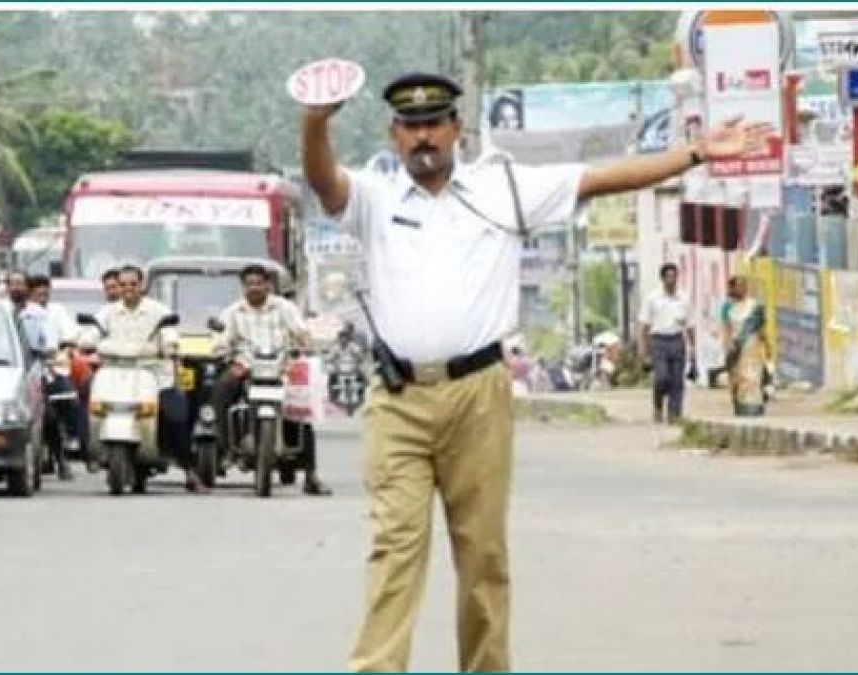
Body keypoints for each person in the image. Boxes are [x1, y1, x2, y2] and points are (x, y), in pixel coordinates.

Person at [300, 71, 771, 671]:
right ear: (394, 135)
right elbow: (323, 181)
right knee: (394, 549)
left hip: (479, 395)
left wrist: (698, 152)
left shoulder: (504, 190)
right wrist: (316, 121)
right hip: (399, 400)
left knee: (482, 556)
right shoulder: (374, 198)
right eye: (410, 126)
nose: (423, 137)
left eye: (433, 124)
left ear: (456, 130)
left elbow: (602, 178)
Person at [210, 264, 330, 495]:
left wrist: (305, 345)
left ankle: (311, 475)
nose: (254, 287)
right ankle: (223, 449)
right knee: (221, 390)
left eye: (259, 283)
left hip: (282, 366)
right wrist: (224, 352)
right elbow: (221, 339)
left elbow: (301, 332)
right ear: (243, 287)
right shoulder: (234, 312)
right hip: (246, 366)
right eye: (249, 284)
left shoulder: (284, 308)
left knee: (302, 411)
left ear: (268, 285)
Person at [94, 265, 199, 490]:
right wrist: (84, 340)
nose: (128, 289)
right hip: (116, 375)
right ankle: (92, 451)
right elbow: (91, 333)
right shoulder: (108, 313)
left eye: (133, 284)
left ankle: (189, 471)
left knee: (176, 416)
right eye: (123, 285)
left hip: (154, 376)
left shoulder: (158, 311)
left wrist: (170, 346)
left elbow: (170, 333)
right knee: (91, 401)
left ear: (142, 286)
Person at [29, 274, 85, 480]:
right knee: (47, 416)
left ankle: (79, 449)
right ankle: (57, 458)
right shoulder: (23, 315)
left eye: (45, 293)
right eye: (37, 294)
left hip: (54, 369)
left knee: (69, 402)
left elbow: (71, 334)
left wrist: (63, 345)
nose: (42, 297)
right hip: (30, 373)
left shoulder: (57, 311)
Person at [638, 263, 694, 425]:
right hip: (659, 341)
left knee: (677, 380)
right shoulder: (653, 299)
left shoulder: (683, 298)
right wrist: (644, 352)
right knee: (662, 378)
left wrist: (692, 346)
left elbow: (690, 325)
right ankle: (658, 405)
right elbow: (644, 327)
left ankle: (674, 414)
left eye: (674, 276)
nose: (672, 280)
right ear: (662, 278)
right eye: (668, 276)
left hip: (677, 339)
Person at [720, 275, 768, 417]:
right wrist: (729, 344)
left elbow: (760, 328)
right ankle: (739, 406)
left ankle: (754, 409)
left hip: (752, 346)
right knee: (736, 379)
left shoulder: (754, 306)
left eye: (744, 285)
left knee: (752, 377)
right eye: (739, 285)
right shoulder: (728, 307)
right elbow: (726, 327)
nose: (743, 288)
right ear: (733, 288)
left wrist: (767, 345)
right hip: (736, 346)